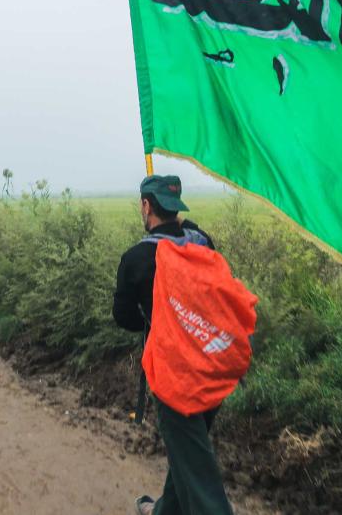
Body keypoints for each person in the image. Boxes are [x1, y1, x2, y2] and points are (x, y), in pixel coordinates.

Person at [113, 176, 233, 515]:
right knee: (188, 450)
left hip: (174, 374)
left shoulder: (136, 258)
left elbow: (123, 316)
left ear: (147, 206)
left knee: (198, 470)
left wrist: (155, 320)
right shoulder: (202, 242)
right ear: (176, 207)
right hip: (214, 363)